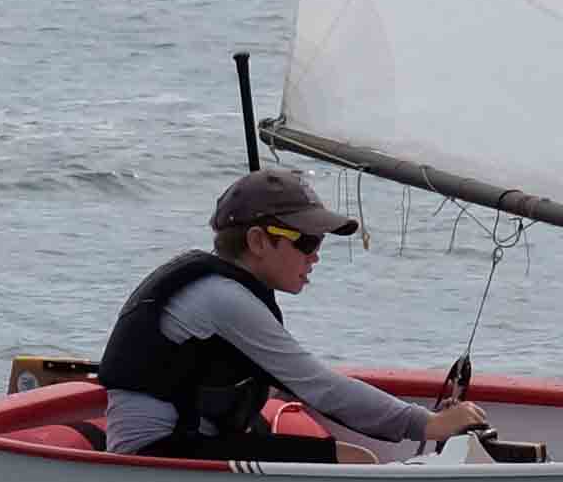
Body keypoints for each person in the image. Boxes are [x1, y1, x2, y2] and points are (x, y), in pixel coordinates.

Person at [96, 169, 488, 463]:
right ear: (257, 241)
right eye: (306, 241)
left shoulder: (229, 291)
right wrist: (425, 424)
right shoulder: (224, 300)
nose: (315, 256)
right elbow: (319, 386)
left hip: (185, 439)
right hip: (153, 456)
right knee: (357, 460)